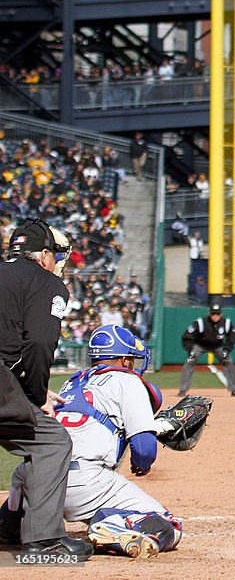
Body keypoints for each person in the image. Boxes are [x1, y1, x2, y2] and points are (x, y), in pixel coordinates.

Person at [7, 325, 182, 558]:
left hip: (34, 478)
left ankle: (8, 524)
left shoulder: (73, 382)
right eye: (131, 359)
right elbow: (143, 449)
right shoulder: (127, 381)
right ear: (124, 359)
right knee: (169, 526)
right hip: (84, 483)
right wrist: (142, 464)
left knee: (24, 492)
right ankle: (112, 524)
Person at [0, 220, 93, 561]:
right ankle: (43, 541)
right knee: (52, 441)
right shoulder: (47, 282)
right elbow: (39, 344)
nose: (56, 262)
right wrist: (36, 397)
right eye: (54, 255)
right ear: (42, 256)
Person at [178, 304, 235, 397]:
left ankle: (234, 389)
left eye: (217, 314)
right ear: (209, 314)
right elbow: (187, 336)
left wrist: (226, 350)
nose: (215, 316)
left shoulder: (226, 323)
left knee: (228, 361)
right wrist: (190, 350)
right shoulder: (200, 322)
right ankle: (182, 390)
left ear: (221, 314)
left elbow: (232, 339)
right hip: (200, 345)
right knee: (190, 362)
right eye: (213, 314)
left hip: (218, 346)